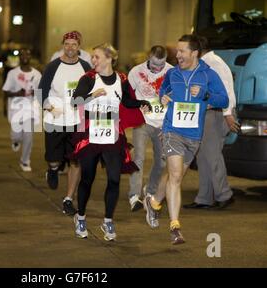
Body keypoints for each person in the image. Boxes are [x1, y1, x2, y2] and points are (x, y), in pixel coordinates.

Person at [143, 34, 229, 245]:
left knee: (176, 176)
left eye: (182, 51)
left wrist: (206, 95)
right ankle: (175, 227)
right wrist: (162, 97)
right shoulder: (172, 74)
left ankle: (153, 202)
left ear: (194, 53)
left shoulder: (209, 75)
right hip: (172, 130)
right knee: (174, 175)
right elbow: (163, 91)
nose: (177, 54)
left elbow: (224, 99)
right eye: (178, 51)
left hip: (194, 135)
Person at [71, 43, 150, 241]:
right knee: (87, 179)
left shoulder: (121, 78)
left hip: (113, 134)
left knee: (114, 179)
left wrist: (142, 103)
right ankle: (80, 216)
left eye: (97, 57)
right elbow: (75, 101)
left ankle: (107, 221)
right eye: (93, 57)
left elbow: (127, 102)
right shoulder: (89, 78)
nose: (93, 60)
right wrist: (91, 96)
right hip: (90, 134)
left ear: (109, 58)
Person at [38, 31, 91, 215]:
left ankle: (68, 198)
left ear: (79, 47)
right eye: (67, 44)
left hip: (77, 120)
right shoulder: (53, 66)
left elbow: (91, 89)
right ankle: (53, 169)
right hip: (55, 118)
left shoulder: (85, 66)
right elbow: (42, 90)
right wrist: (48, 107)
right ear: (63, 45)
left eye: (74, 44)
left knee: (76, 161)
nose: (70, 48)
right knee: (54, 158)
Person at [184, 36, 239, 210]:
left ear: (197, 50)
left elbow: (227, 90)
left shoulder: (214, 63)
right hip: (207, 113)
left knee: (213, 155)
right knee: (203, 157)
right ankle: (204, 198)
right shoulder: (205, 64)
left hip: (217, 114)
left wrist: (228, 114)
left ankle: (224, 195)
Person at [127, 46, 173, 211]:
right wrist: (138, 105)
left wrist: (171, 99)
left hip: (163, 123)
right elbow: (127, 96)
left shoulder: (172, 72)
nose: (157, 69)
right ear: (148, 57)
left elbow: (180, 94)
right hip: (143, 121)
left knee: (161, 162)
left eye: (161, 65)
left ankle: (151, 190)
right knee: (138, 158)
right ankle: (134, 195)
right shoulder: (135, 72)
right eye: (154, 65)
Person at [2, 48, 42, 172]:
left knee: (29, 136)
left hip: (30, 109)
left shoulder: (37, 74)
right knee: (16, 134)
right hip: (15, 108)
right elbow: (6, 92)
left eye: (27, 54)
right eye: (22, 54)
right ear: (19, 57)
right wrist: (17, 93)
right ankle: (15, 140)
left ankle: (25, 161)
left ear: (31, 56)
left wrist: (36, 93)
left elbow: (41, 93)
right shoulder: (12, 73)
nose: (25, 56)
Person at [0, 39, 20, 118]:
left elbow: (21, 61)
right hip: (7, 75)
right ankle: (5, 108)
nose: (12, 46)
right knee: (6, 93)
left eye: (13, 44)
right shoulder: (4, 53)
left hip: (16, 76)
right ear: (8, 45)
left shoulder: (17, 52)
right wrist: (2, 65)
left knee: (16, 92)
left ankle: (14, 109)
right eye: (10, 44)